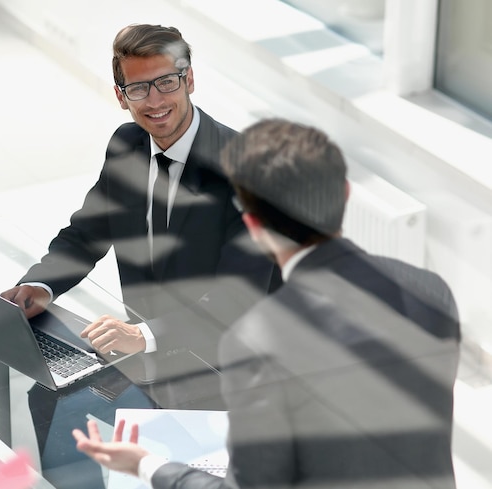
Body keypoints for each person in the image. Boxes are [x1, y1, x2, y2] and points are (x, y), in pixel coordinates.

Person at [72, 119, 461, 488]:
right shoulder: (431, 289)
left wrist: (144, 463)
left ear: (254, 228)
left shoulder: (258, 339)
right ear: (345, 192)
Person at [1, 23, 279, 489]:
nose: (154, 101)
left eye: (166, 82)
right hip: (150, 357)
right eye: (138, 88)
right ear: (120, 95)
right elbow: (86, 233)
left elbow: (238, 300)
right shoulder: (127, 145)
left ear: (189, 79)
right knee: (53, 397)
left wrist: (143, 335)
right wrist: (41, 284)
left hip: (224, 367)